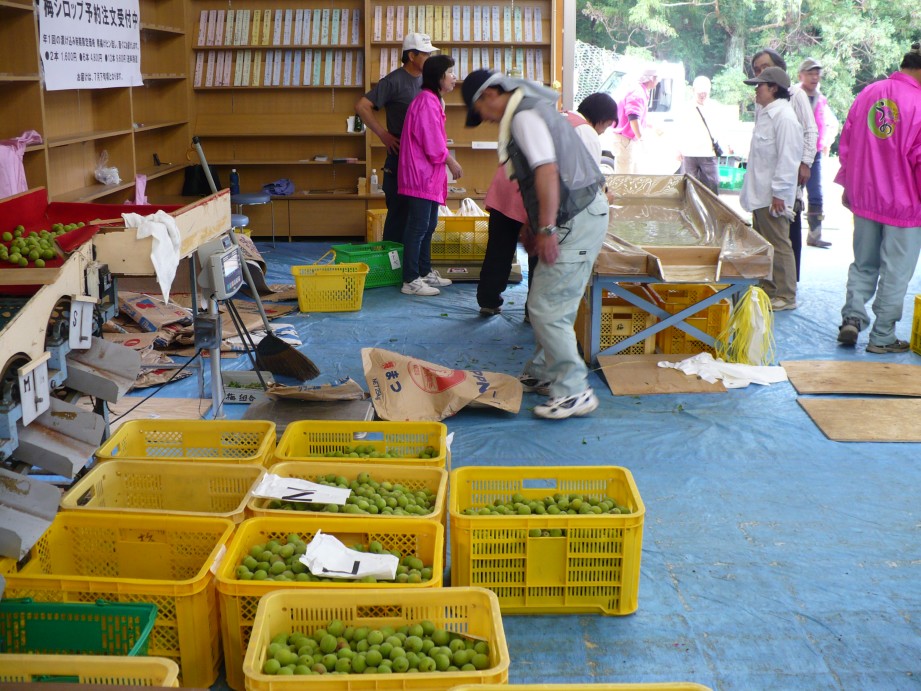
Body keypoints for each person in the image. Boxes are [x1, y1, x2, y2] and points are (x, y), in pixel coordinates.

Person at [463, 69, 609, 419]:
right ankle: (546, 371)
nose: (483, 117)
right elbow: (541, 175)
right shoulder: (530, 110)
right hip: (578, 214)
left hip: (575, 217)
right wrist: (533, 224)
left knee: (546, 306)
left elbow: (545, 170)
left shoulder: (524, 116)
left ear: (491, 94)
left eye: (480, 109)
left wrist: (544, 228)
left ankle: (574, 391)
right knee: (553, 299)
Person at [477, 93, 617, 318]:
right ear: (601, 119)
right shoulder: (586, 131)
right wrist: (605, 198)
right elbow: (585, 181)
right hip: (532, 195)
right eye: (608, 126)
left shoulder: (557, 116)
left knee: (498, 250)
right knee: (539, 256)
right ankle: (533, 313)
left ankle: (488, 300)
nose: (604, 131)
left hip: (506, 186)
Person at [835, 42, 921, 354]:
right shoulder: (920, 103)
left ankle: (852, 318)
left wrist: (850, 185)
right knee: (895, 272)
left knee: (864, 262)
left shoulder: (868, 93)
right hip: (905, 205)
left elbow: (847, 144)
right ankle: (882, 336)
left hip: (866, 197)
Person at [355, 33, 461, 244]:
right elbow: (362, 106)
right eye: (425, 54)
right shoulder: (394, 81)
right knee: (399, 214)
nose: (430, 58)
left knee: (422, 220)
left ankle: (414, 269)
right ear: (411, 56)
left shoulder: (429, 81)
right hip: (401, 156)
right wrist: (383, 135)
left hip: (425, 161)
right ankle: (394, 268)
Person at [739, 66, 803, 312]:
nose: (756, 90)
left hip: (772, 196)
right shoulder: (767, 113)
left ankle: (786, 295)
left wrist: (779, 193)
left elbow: (789, 159)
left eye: (760, 86)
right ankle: (770, 288)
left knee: (778, 243)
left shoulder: (785, 117)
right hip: (760, 194)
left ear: (773, 88)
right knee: (767, 243)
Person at [751, 48, 818, 279]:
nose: (762, 72)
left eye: (766, 67)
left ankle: (787, 287)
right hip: (769, 174)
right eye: (757, 69)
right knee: (770, 233)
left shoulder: (794, 95)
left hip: (790, 171)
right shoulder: (762, 99)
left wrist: (805, 163)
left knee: (785, 231)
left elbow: (809, 130)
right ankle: (773, 284)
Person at [397, 55, 457, 296]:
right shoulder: (427, 102)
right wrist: (451, 160)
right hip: (420, 175)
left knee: (428, 224)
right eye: (450, 73)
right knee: (419, 226)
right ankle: (410, 280)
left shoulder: (433, 100)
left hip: (427, 175)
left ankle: (423, 272)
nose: (454, 77)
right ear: (439, 77)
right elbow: (433, 145)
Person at [791, 58, 835, 248]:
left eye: (817, 73)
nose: (815, 77)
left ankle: (815, 235)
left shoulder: (820, 98)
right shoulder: (792, 94)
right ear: (801, 75)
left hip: (814, 152)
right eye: (810, 73)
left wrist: (825, 141)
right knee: (792, 192)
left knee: (816, 194)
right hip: (794, 150)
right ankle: (789, 231)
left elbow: (828, 122)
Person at [678, 76, 722, 195]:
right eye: (700, 93)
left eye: (705, 93)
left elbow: (720, 128)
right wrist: (679, 149)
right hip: (689, 153)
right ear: (693, 90)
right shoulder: (686, 107)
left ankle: (712, 212)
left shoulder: (715, 107)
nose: (703, 95)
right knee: (689, 187)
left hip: (708, 153)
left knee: (712, 187)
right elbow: (680, 129)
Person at [610, 68, 658, 174]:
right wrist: (641, 138)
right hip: (625, 140)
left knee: (632, 175)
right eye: (657, 78)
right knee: (625, 178)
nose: (658, 81)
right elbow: (633, 116)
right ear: (651, 78)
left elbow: (634, 117)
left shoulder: (639, 90)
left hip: (627, 140)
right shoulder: (638, 92)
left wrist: (647, 125)